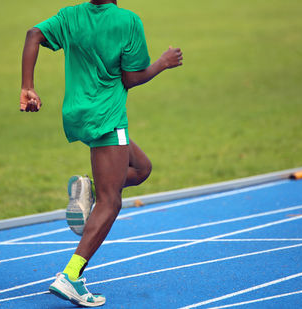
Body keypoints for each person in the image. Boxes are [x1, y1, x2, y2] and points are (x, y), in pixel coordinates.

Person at [20, 0, 183, 306]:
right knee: (112, 201)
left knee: (142, 168)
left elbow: (33, 35)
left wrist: (27, 86)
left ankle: (89, 191)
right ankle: (70, 275)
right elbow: (131, 78)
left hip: (78, 113)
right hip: (107, 118)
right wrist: (163, 62)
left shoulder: (70, 15)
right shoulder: (128, 21)